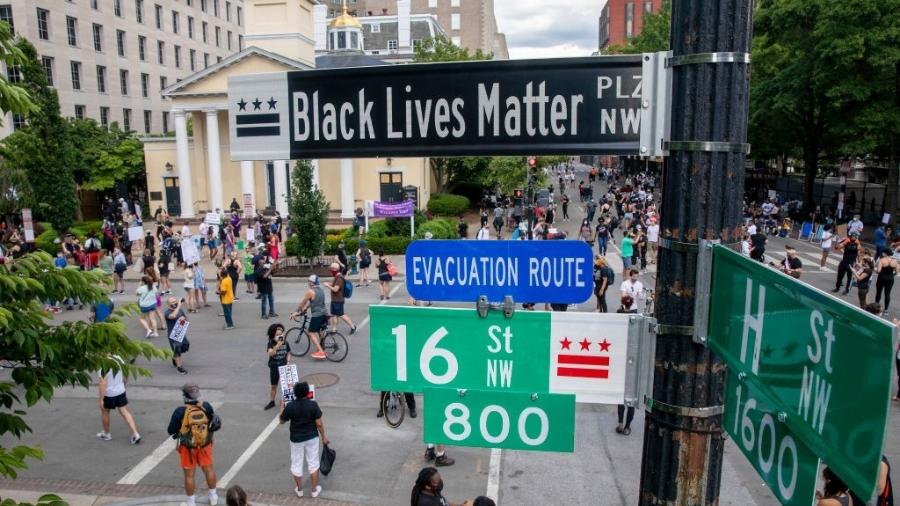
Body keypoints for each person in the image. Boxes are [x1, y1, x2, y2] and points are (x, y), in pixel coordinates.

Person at [167, 383, 219, 506]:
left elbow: (170, 430)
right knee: (208, 469)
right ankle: (213, 497)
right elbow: (213, 423)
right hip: (205, 444)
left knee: (189, 475)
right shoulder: (206, 406)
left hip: (187, 448)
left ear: (185, 396)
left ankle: (191, 502)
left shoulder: (180, 411)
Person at [279, 382, 328, 499]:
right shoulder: (313, 405)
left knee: (296, 463)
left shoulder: (290, 406)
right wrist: (324, 437)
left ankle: (300, 490)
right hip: (312, 437)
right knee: (313, 463)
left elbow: (281, 421)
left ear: (295, 393)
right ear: (307, 392)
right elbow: (319, 424)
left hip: (296, 439)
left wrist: (281, 406)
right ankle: (314, 490)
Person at [96, 355, 142, 445]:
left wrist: (101, 399)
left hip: (109, 393)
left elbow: (103, 382)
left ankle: (107, 434)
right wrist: (123, 384)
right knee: (124, 411)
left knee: (105, 411)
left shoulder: (103, 364)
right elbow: (126, 372)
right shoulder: (118, 358)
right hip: (120, 390)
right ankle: (135, 433)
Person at [291, 275, 328, 360]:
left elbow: (302, 303)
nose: (308, 282)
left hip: (317, 315)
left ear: (312, 282)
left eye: (309, 281)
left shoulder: (310, 291)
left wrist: (296, 312)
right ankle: (323, 348)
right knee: (319, 331)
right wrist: (305, 309)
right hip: (324, 313)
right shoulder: (321, 290)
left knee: (311, 332)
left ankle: (321, 352)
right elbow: (313, 302)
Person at [264, 323, 292, 410]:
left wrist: (288, 361)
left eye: (281, 334)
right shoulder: (271, 343)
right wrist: (278, 346)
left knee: (287, 386)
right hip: (274, 367)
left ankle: (287, 402)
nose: (280, 336)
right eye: (277, 335)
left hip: (284, 366)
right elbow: (271, 354)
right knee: (274, 385)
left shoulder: (286, 342)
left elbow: (289, 353)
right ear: (273, 335)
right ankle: (272, 401)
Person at [325, 262, 357, 334]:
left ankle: (353, 326)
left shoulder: (339, 278)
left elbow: (336, 289)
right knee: (334, 314)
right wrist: (329, 284)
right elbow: (334, 285)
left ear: (335, 269)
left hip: (338, 300)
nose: (330, 270)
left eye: (331, 269)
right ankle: (334, 329)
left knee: (341, 314)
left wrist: (328, 286)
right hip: (334, 299)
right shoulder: (336, 276)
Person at [165, 297, 190, 375]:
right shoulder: (167, 312)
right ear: (168, 304)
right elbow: (173, 316)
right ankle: (179, 368)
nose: (174, 303)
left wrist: (184, 319)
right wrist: (179, 305)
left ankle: (174, 357)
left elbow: (186, 319)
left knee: (186, 346)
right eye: (172, 302)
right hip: (173, 334)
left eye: (175, 301)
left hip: (180, 331)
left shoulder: (180, 310)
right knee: (177, 349)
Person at [875, 250, 898, 315]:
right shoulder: (895, 261)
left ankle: (876, 308)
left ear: (885, 253)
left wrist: (875, 270)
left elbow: (878, 271)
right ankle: (886, 310)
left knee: (878, 293)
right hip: (890, 279)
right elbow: (896, 272)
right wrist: (891, 275)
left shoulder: (882, 260)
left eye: (883, 252)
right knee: (887, 294)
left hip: (881, 278)